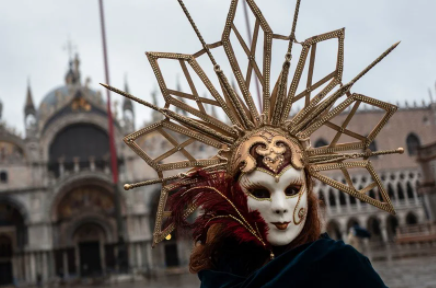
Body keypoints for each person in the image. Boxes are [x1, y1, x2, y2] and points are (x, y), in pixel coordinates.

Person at [104, 0, 403, 287]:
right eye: (260, 191)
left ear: (308, 192)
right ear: (235, 200)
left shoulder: (342, 269)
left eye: (292, 189)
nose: (280, 208)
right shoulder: (219, 276)